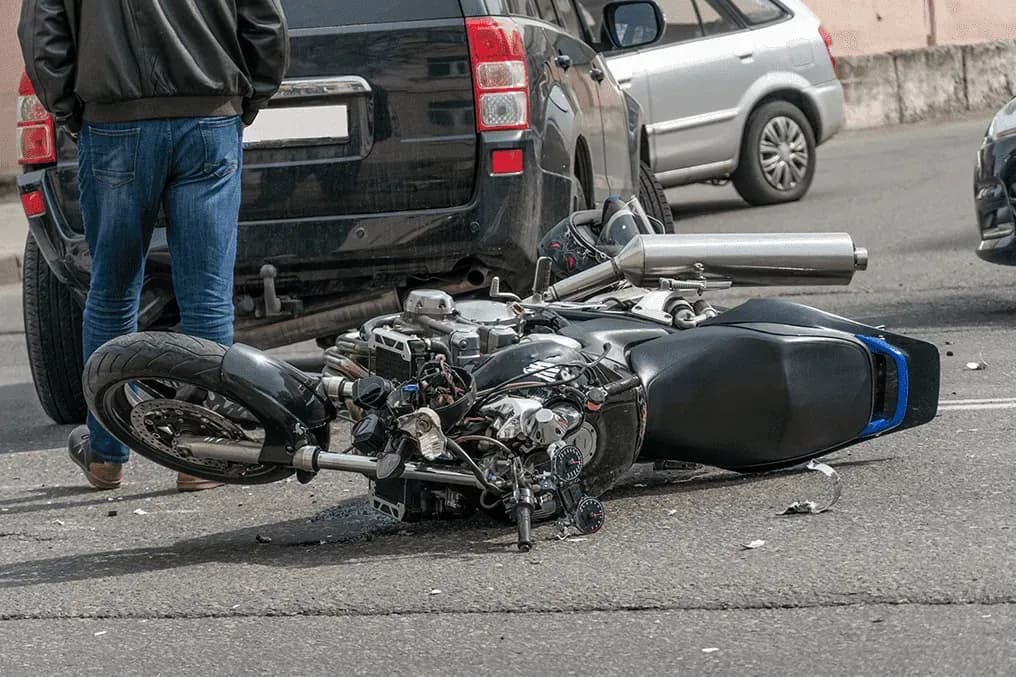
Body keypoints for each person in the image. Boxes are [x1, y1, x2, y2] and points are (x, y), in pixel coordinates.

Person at [18, 0, 289, 492]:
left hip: (114, 124)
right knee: (205, 297)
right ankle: (198, 454)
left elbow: (42, 37)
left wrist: (73, 112)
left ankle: (106, 453)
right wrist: (248, 100)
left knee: (113, 292)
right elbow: (265, 25)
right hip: (209, 120)